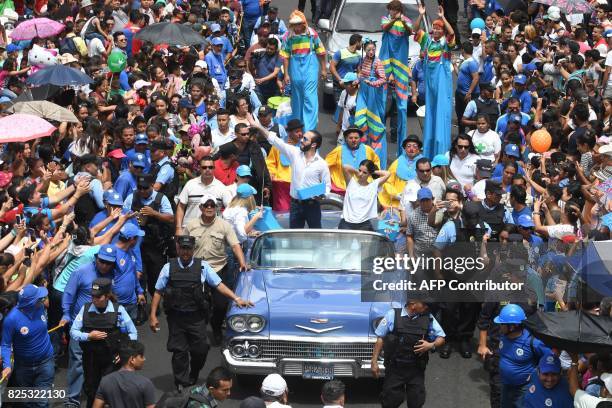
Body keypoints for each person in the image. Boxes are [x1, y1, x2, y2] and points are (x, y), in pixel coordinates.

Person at [149, 235, 252, 390]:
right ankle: (181, 383)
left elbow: (218, 285)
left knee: (200, 350)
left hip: (196, 318)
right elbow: (158, 291)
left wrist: (236, 298)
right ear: (178, 248)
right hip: (176, 318)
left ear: (193, 249)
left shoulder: (203, 267)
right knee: (179, 352)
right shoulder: (168, 267)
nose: (185, 252)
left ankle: (194, 372)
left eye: (188, 249)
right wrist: (152, 315)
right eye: (182, 248)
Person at [61, 244, 118, 407]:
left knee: (102, 363)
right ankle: (72, 399)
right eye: (102, 261)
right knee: (77, 362)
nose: (105, 265)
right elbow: (69, 294)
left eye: (109, 263)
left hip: (105, 326)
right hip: (82, 326)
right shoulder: (81, 272)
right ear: (96, 258)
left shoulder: (112, 273)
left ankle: (99, 397)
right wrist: (66, 313)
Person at [70, 277, 137, 408]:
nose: (94, 300)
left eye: (98, 297)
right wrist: (89, 336)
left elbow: (133, 333)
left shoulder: (119, 311)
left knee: (113, 392)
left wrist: (125, 353)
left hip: (111, 360)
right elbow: (73, 331)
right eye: (93, 296)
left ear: (107, 296)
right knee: (91, 390)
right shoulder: (85, 309)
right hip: (91, 359)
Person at [371, 292, 446, 408]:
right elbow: (380, 338)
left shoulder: (428, 318)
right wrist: (374, 361)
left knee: (416, 401)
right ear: (413, 304)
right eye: (424, 304)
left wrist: (431, 345)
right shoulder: (392, 315)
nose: (426, 307)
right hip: (395, 368)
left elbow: (441, 337)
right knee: (391, 400)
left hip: (416, 369)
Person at [260, 125, 331, 228]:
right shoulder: (295, 153)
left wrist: (322, 194)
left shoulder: (322, 164)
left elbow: (327, 186)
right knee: (294, 237)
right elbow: (276, 141)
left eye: (305, 139)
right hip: (295, 205)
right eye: (303, 137)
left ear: (313, 144)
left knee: (316, 235)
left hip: (312, 206)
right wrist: (257, 126)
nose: (301, 140)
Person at [1, 284, 54, 408]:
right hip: (23, 367)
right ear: (30, 302)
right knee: (27, 403)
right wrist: (7, 365)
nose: (42, 299)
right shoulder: (11, 320)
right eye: (39, 298)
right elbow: (5, 344)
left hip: (46, 362)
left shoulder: (40, 307)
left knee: (41, 402)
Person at [413, 4, 455, 159]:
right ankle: (430, 150)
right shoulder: (427, 41)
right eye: (434, 28)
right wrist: (420, 14)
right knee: (430, 114)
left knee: (441, 112)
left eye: (439, 29)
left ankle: (442, 149)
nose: (436, 30)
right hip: (430, 83)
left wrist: (443, 17)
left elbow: (451, 33)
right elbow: (415, 29)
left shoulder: (445, 44)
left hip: (442, 82)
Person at [125, 174, 174, 296]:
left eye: (145, 188)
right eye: (140, 187)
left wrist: (154, 214)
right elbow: (123, 215)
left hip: (155, 246)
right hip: (136, 246)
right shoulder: (132, 197)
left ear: (152, 185)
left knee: (155, 279)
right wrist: (132, 217)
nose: (142, 191)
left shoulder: (161, 198)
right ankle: (140, 306)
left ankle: (155, 308)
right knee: (138, 277)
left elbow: (171, 218)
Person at [494, 304, 551, 408]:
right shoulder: (503, 336)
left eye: (502, 324)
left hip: (523, 389)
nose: (500, 326)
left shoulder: (533, 342)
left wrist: (536, 372)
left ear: (512, 326)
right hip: (506, 385)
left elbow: (550, 358)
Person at [281, 10, 326, 131]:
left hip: (310, 67)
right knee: (297, 97)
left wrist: (323, 69)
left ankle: (309, 128)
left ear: (303, 23)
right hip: (295, 69)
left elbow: (321, 51)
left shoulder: (312, 34)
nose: (297, 26)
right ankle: (298, 126)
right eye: (294, 24)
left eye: (299, 23)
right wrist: (286, 74)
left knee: (309, 97)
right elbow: (285, 55)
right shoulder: (288, 36)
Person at [380, 0, 413, 149]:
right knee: (383, 100)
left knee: (400, 104)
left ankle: (401, 137)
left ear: (398, 9)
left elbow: (410, 31)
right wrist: (394, 19)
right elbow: (385, 28)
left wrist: (402, 21)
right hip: (386, 60)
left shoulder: (406, 21)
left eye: (393, 10)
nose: (391, 11)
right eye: (390, 9)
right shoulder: (386, 19)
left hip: (400, 64)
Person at [175, 157, 232, 234]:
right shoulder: (190, 185)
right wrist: (178, 228)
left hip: (212, 233)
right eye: (204, 167)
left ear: (214, 168)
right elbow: (181, 207)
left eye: (210, 167)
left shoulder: (221, 188)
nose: (207, 170)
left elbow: (231, 209)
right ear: (200, 168)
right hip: (190, 231)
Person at [93, 340, 156, 408]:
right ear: (132, 359)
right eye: (141, 356)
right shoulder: (145, 383)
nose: (144, 359)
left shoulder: (105, 381)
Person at [355, 39, 388, 165]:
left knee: (375, 124)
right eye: (369, 50)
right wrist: (357, 81)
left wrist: (373, 83)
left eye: (373, 49)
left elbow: (383, 79)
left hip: (373, 94)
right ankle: (362, 150)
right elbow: (361, 75)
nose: (371, 52)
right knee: (360, 120)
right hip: (363, 92)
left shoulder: (377, 62)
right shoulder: (363, 61)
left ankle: (376, 156)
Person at [325, 127, 381, 195]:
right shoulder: (339, 150)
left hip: (364, 185)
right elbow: (325, 165)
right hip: (343, 185)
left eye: (356, 138)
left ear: (360, 139)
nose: (353, 140)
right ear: (346, 139)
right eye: (350, 138)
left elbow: (376, 162)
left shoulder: (368, 150)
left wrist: (373, 173)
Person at [339, 159, 390, 231]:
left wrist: (373, 171)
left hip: (364, 225)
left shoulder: (373, 185)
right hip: (346, 223)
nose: (360, 174)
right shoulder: (351, 182)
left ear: (369, 174)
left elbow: (387, 174)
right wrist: (357, 172)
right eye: (360, 170)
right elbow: (345, 167)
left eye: (364, 172)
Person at [265, 119, 303, 212]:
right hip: (282, 184)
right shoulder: (279, 146)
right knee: (282, 211)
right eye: (297, 131)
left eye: (301, 131)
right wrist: (272, 173)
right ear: (289, 133)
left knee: (298, 212)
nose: (300, 134)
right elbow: (270, 162)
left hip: (299, 184)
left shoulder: (304, 146)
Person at [379, 135, 424, 208]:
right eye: (408, 146)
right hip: (398, 202)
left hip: (417, 201)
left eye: (414, 146)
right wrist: (395, 194)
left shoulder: (423, 163)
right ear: (405, 149)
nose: (411, 149)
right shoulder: (397, 162)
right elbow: (388, 181)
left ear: (419, 149)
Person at [329, 34, 362, 104]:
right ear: (357, 42)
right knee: (339, 106)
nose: (362, 45)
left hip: (351, 85)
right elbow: (331, 67)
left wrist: (357, 80)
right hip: (339, 85)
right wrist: (339, 79)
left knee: (349, 107)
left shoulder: (358, 56)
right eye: (361, 42)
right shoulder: (340, 53)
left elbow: (359, 72)